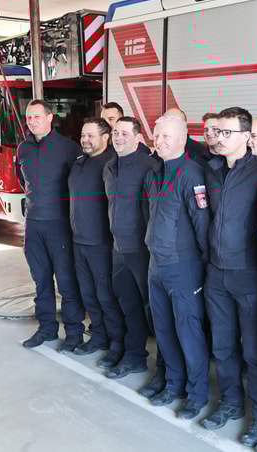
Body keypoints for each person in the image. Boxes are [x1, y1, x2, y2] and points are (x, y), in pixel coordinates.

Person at [202, 107, 257, 446]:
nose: (218, 138)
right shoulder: (212, 169)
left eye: (226, 133)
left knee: (254, 351)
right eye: (217, 131)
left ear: (247, 137)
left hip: (249, 274)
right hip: (216, 273)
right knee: (223, 345)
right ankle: (230, 402)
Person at [143, 115, 210, 418]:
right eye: (156, 136)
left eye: (166, 136)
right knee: (164, 330)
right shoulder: (154, 173)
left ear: (182, 140)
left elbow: (201, 225)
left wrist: (200, 265)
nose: (159, 141)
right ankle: (174, 384)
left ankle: (197, 394)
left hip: (183, 267)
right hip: (156, 265)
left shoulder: (191, 174)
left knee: (188, 332)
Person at [16, 99, 86, 351]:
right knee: (41, 280)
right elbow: (21, 179)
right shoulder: (23, 148)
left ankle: (74, 332)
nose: (32, 121)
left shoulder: (68, 148)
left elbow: (78, 184)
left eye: (37, 116)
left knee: (66, 281)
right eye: (28, 117)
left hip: (60, 225)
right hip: (33, 225)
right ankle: (47, 328)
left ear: (49, 117)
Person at [103, 117, 162, 383]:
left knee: (154, 312)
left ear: (138, 138)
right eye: (116, 132)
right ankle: (135, 357)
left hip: (143, 252)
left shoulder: (150, 167)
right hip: (119, 250)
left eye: (125, 133)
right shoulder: (110, 167)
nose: (119, 137)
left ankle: (165, 370)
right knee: (129, 306)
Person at [67, 118, 126, 365]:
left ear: (105, 138)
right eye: (83, 135)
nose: (85, 140)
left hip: (101, 243)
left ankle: (117, 344)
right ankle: (99, 337)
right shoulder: (78, 163)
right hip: (78, 242)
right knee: (89, 295)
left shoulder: (111, 164)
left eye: (91, 135)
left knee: (106, 296)